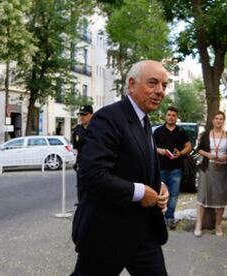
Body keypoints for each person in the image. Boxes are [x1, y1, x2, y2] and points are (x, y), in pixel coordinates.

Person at [71, 60, 170, 276]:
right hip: (107, 233)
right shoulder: (109, 117)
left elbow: (137, 163)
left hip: (144, 233)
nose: (160, 91)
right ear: (132, 84)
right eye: (153, 83)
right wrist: (140, 192)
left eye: (164, 85)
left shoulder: (145, 120)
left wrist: (159, 186)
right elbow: (92, 175)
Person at [154, 106, 192, 230]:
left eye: (173, 115)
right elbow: (151, 147)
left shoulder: (181, 131)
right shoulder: (158, 131)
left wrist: (180, 153)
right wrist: (161, 151)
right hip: (161, 168)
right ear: (166, 116)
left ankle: (169, 218)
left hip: (176, 168)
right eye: (169, 114)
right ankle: (158, 218)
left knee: (174, 194)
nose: (171, 117)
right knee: (159, 194)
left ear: (176, 117)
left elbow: (189, 147)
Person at [194, 111, 227, 237]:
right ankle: (199, 224)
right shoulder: (205, 135)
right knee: (203, 195)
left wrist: (226, 156)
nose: (218, 121)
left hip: (222, 169)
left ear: (223, 121)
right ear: (213, 121)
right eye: (216, 118)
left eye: (221, 118)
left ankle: (218, 225)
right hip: (207, 168)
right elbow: (199, 149)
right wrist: (208, 154)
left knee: (221, 197)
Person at [71, 105, 93, 202]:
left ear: (92, 115)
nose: (82, 117)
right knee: (81, 188)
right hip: (81, 164)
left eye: (85, 115)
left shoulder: (97, 128)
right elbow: (76, 148)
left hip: (94, 164)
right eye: (80, 115)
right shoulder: (77, 130)